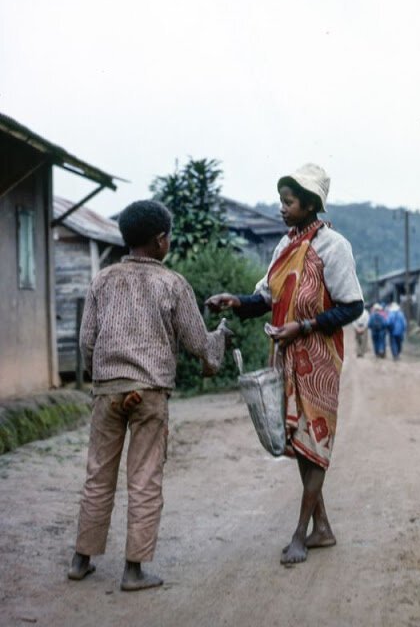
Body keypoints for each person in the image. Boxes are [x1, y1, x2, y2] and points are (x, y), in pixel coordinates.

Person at [68, 200, 231, 590]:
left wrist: (103, 378)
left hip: (108, 392)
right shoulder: (172, 283)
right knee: (144, 478)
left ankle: (80, 560)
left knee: (97, 475)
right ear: (161, 241)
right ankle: (134, 570)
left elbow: (87, 341)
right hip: (150, 393)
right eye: (168, 236)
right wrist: (218, 344)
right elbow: (198, 343)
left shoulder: (102, 280)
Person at [206, 164, 363, 565]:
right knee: (300, 442)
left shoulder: (334, 247)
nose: (281, 208)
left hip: (319, 358)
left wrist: (306, 325)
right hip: (286, 355)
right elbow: (265, 297)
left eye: (288, 202)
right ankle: (321, 527)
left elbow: (352, 306)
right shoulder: (283, 247)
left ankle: (300, 533)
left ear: (310, 204)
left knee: (316, 441)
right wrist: (237, 301)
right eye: (281, 201)